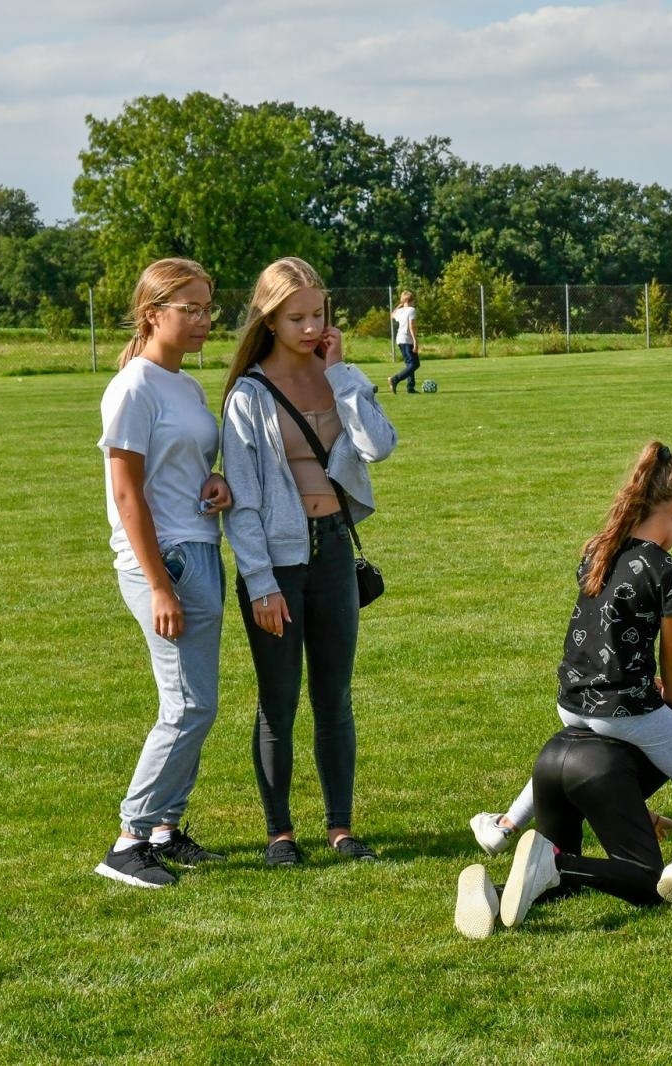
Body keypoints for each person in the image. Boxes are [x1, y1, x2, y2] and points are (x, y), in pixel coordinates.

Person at [472, 442, 672, 919]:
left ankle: (506, 829)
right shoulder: (668, 571)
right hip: (622, 711)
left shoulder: (597, 548)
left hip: (570, 703)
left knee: (594, 747)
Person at [221, 257, 398, 866]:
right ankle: (279, 835)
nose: (308, 326)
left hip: (333, 553)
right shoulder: (248, 395)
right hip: (275, 564)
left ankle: (341, 829)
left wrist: (342, 372)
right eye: (294, 317)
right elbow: (240, 504)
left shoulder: (338, 377)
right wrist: (261, 583)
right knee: (278, 700)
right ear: (268, 320)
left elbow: (379, 446)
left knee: (335, 696)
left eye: (317, 314)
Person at [456, 641, 672, 938]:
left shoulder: (651, 689)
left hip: (552, 758)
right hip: (597, 772)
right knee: (648, 882)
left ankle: (493, 896)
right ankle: (554, 861)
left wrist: (646, 817)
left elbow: (623, 753)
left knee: (562, 885)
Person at [93, 258, 232, 889]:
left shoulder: (186, 385)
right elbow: (127, 497)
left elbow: (181, 469)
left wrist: (214, 481)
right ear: (153, 314)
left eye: (208, 308)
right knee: (186, 705)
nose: (204, 320)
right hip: (166, 560)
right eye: (191, 309)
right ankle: (128, 840)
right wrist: (157, 584)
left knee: (197, 703)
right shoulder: (133, 388)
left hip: (200, 548)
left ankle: (163, 831)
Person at [388, 290, 420, 395]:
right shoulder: (411, 310)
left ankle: (410, 387)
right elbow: (412, 326)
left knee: (409, 364)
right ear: (412, 300)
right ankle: (395, 379)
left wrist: (399, 306)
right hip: (407, 339)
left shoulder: (400, 311)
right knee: (415, 364)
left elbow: (391, 316)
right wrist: (415, 341)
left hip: (399, 339)